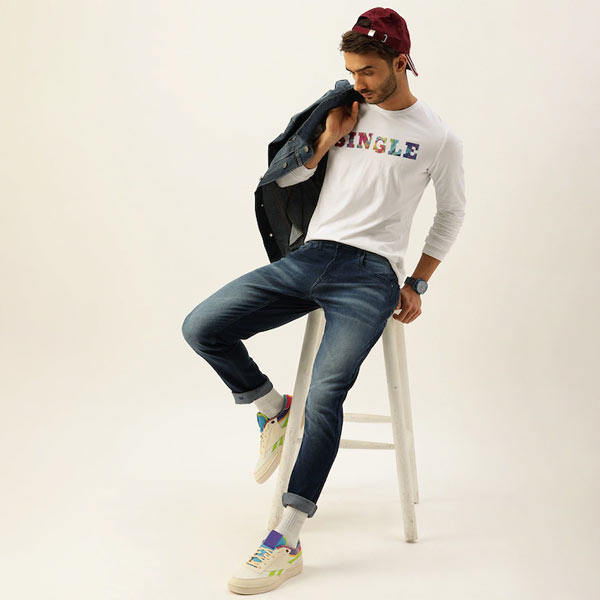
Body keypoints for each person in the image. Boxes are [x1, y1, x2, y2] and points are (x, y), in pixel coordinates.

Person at [182, 7, 466, 595]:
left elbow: (452, 213)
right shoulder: (342, 109)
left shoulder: (438, 136)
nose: (357, 81)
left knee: (328, 389)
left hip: (371, 276)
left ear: (401, 62)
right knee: (202, 325)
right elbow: (281, 180)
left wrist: (417, 282)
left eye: (368, 71)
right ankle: (273, 409)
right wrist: (327, 140)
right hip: (311, 257)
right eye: (351, 70)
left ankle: (285, 537)